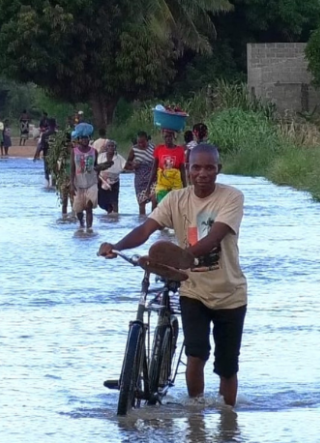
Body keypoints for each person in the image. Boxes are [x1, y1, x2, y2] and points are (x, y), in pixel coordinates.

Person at [98, 144, 247, 407]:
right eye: (196, 167)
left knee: (227, 367)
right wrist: (117, 246)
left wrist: (181, 257)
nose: (202, 173)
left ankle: (228, 420)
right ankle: (195, 415)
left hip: (230, 294)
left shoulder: (231, 197)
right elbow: (145, 230)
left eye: (209, 168)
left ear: (218, 170)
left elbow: (215, 237)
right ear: (187, 169)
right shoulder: (176, 200)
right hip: (192, 290)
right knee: (195, 355)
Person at [150, 128, 187, 207]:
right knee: (160, 204)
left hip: (175, 184)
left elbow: (182, 171)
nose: (168, 138)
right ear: (164, 137)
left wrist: (185, 188)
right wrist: (148, 187)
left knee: (175, 206)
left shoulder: (180, 151)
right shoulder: (159, 149)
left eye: (170, 136)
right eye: (166, 136)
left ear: (174, 137)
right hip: (162, 184)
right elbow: (154, 169)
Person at [70, 132, 98, 231]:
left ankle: (89, 228)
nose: (85, 140)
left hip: (91, 183)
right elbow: (72, 168)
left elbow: (96, 166)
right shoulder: (74, 151)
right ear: (79, 140)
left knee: (89, 206)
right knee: (79, 209)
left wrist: (98, 177)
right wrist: (71, 183)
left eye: (86, 138)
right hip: (78, 183)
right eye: (83, 138)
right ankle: (82, 223)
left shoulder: (94, 151)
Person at [124, 131, 156, 216]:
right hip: (140, 181)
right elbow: (126, 165)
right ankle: (142, 221)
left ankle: (154, 218)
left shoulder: (153, 147)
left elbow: (157, 161)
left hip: (153, 179)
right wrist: (133, 166)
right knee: (142, 204)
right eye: (139, 142)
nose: (141, 144)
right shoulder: (134, 149)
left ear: (147, 140)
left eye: (143, 142)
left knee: (154, 199)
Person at [96, 140, 126, 214]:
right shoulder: (101, 156)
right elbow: (97, 167)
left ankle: (115, 216)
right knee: (101, 201)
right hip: (102, 181)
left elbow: (125, 166)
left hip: (114, 181)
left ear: (115, 147)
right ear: (106, 148)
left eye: (112, 146)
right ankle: (109, 213)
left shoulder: (119, 158)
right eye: (109, 146)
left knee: (114, 201)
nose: (111, 147)